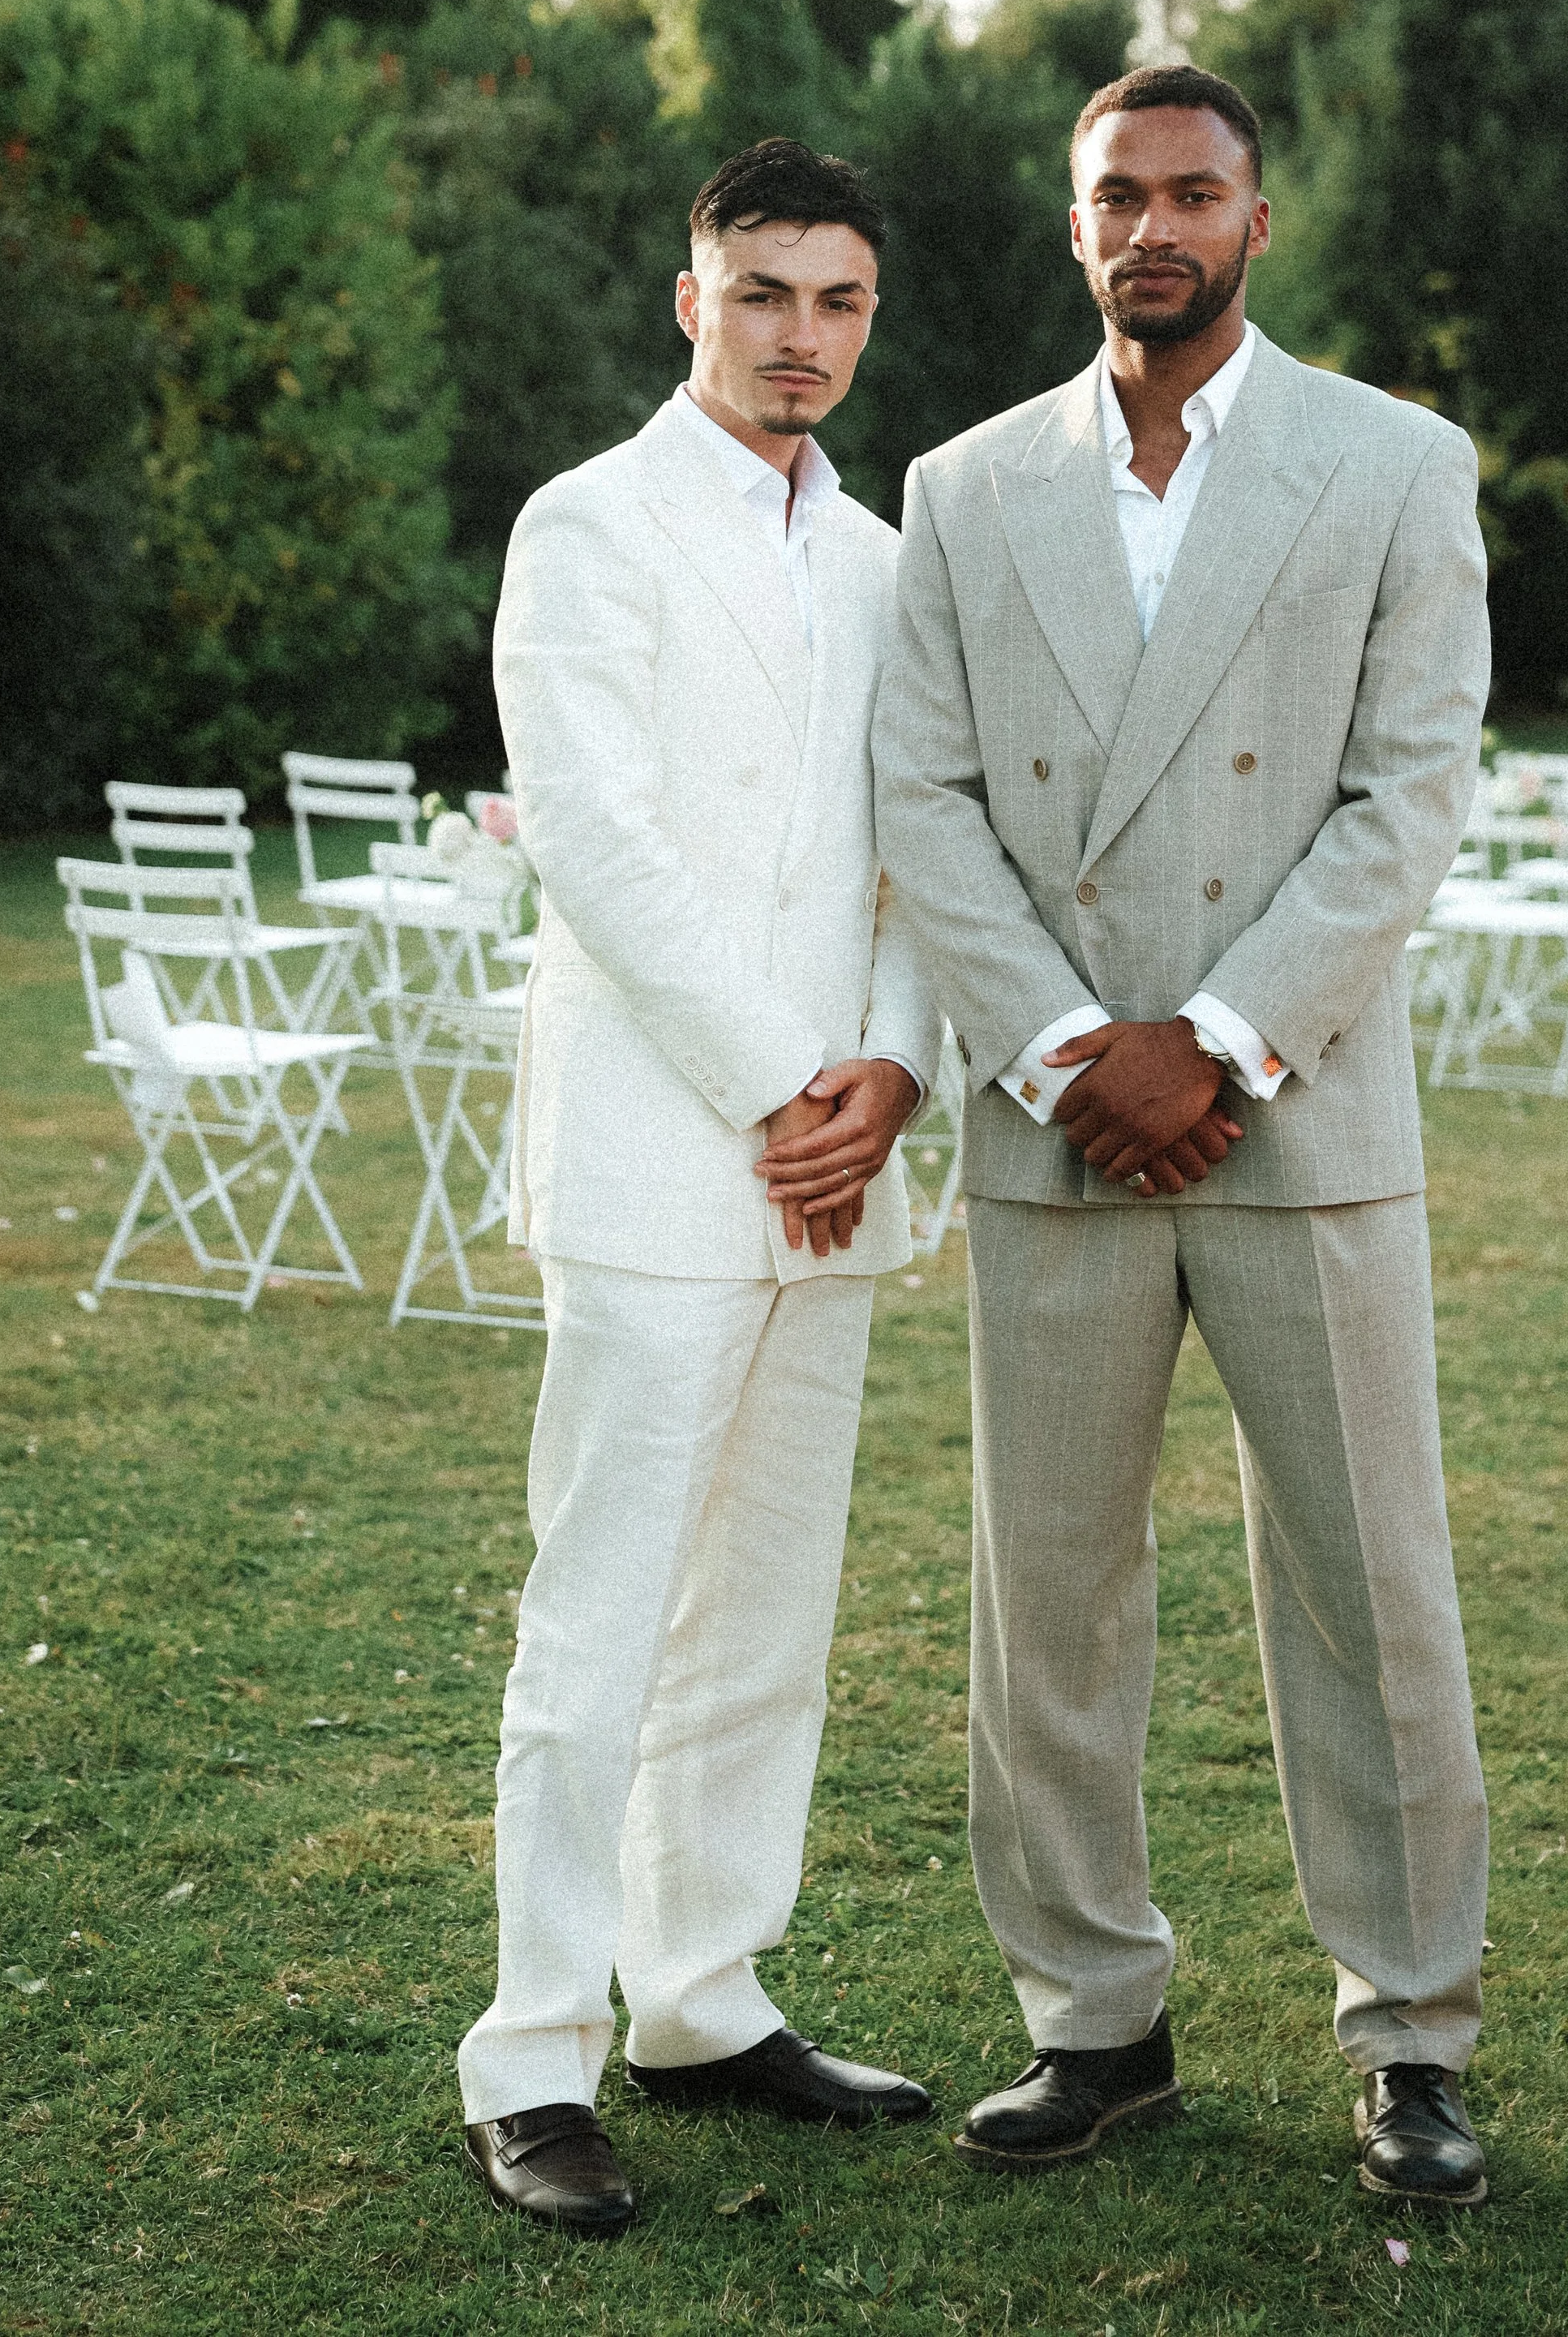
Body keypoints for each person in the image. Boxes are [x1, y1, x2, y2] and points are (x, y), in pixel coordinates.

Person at [872, 64, 1493, 2204]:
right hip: (1059, 1131)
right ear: (1074, 229)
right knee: (1048, 1598)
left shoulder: (1395, 465)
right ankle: (1092, 2017)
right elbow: (923, 800)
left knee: (1366, 1586)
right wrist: (1070, 1047)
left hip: (1293, 1119)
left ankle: (1411, 2027)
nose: (1154, 225)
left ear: (1256, 215)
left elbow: (1405, 792)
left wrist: (1212, 1043)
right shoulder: (957, 492)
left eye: (1192, 191)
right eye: (1116, 194)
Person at [460, 139, 942, 2236]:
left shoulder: (891, 561)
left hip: (836, 1177)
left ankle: (702, 1989)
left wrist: (891, 1069)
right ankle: (535, 2047)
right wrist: (781, 1085)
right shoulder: (586, 525)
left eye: (837, 301)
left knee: (767, 1609)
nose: (802, 337)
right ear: (691, 298)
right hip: (667, 1159)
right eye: (766, 294)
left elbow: (935, 835)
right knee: (606, 1608)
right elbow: (593, 834)